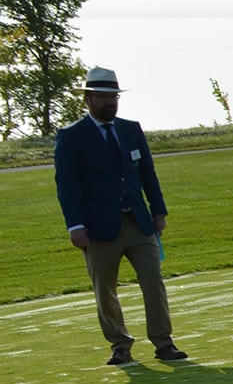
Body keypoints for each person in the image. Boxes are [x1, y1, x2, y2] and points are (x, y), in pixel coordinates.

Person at [53, 67, 186, 365]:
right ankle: (120, 344)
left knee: (153, 281)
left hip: (139, 223)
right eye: (102, 97)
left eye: (113, 96)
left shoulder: (131, 129)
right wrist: (75, 225)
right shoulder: (71, 136)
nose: (109, 103)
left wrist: (159, 210)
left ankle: (163, 343)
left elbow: (147, 173)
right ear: (87, 99)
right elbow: (66, 186)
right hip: (97, 229)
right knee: (105, 289)